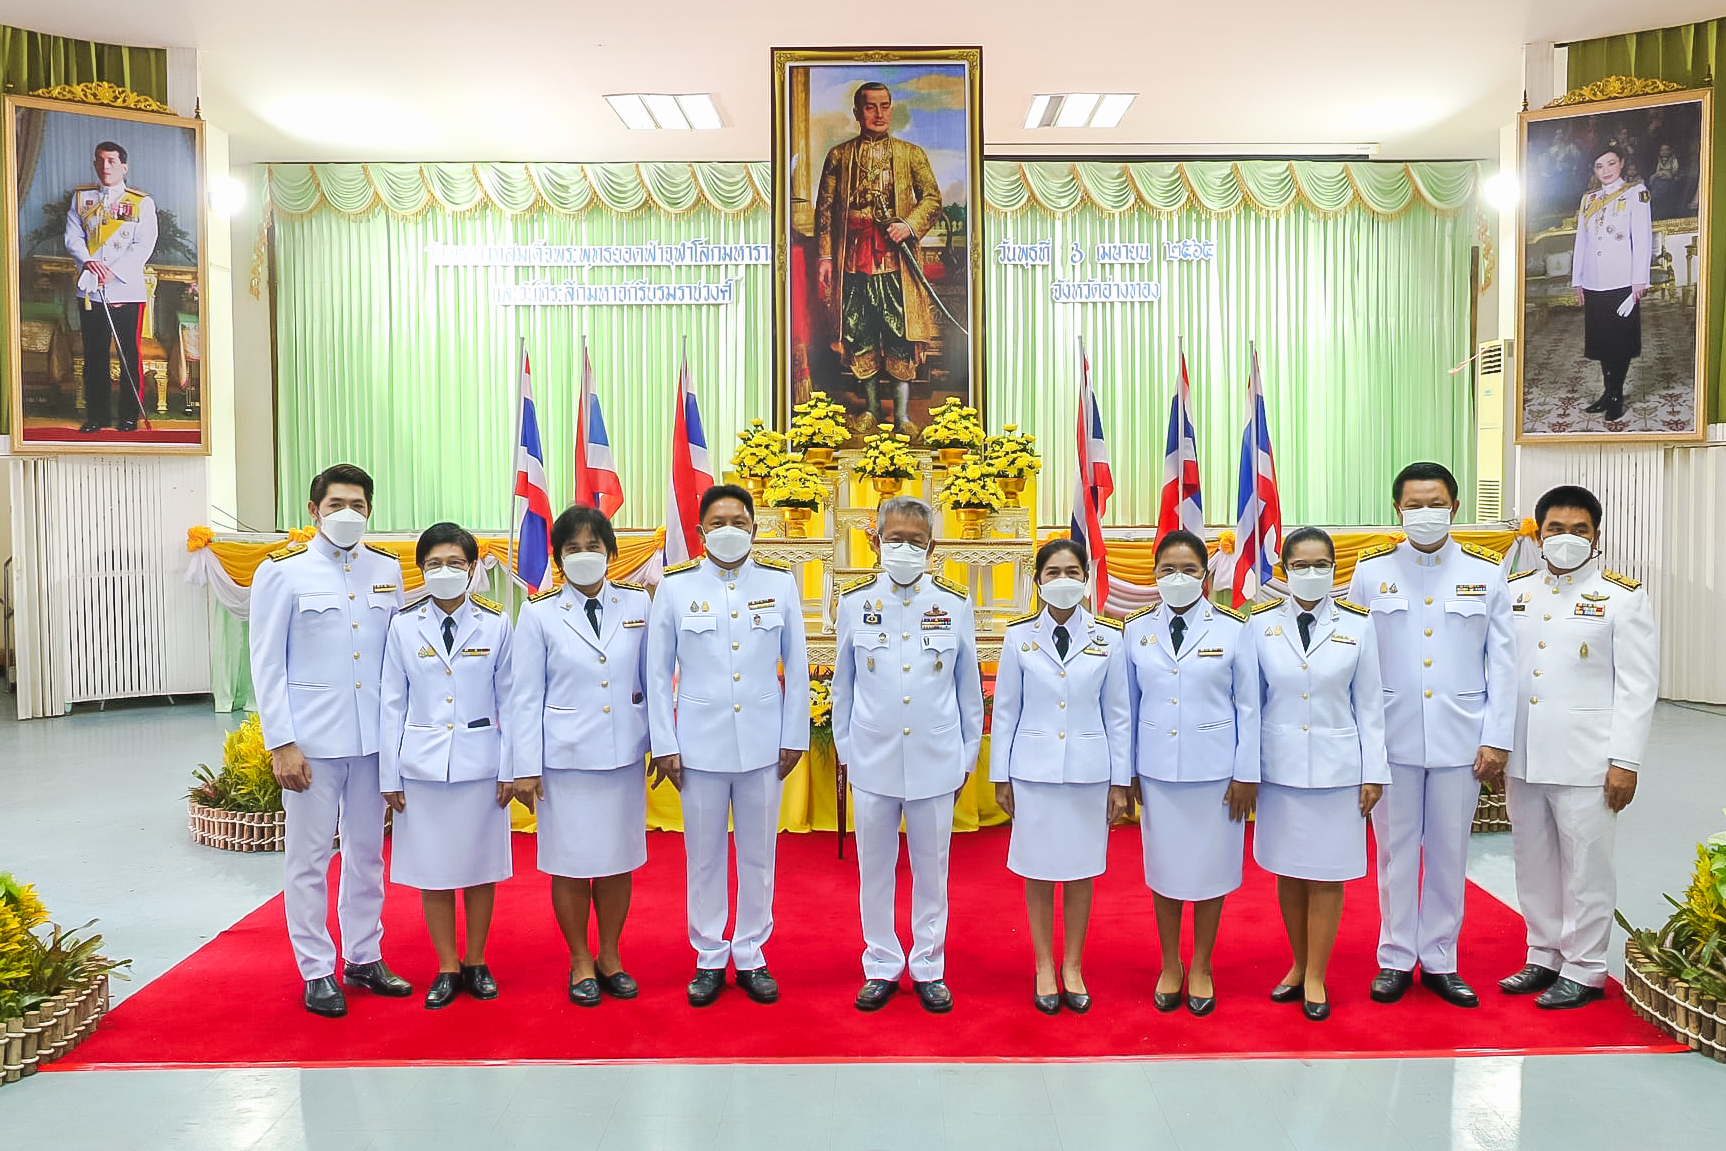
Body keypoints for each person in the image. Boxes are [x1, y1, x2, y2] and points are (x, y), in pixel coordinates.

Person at [1349, 463, 1514, 1009]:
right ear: (1397, 510)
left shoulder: (1485, 574)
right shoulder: (1371, 574)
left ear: (1456, 508)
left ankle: (1441, 958)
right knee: (1394, 853)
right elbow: (1353, 659)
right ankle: (1395, 956)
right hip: (1390, 738)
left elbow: (1504, 663)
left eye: (1435, 503)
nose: (1425, 514)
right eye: (1414, 505)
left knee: (1449, 851)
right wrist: (1360, 741)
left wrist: (1496, 737)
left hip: (1460, 738)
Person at [249, 464, 412, 1017]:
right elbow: (267, 663)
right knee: (309, 858)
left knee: (367, 855)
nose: (349, 513)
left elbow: (396, 661)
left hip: (371, 742)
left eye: (359, 505)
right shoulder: (284, 573)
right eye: (337, 504)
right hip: (312, 743)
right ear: (313, 511)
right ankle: (316, 968)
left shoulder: (387, 569)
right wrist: (281, 742)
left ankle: (364, 955)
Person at [646, 484, 809, 1007]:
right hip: (698, 745)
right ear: (699, 532)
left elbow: (798, 667)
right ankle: (710, 954)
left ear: (755, 527)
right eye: (718, 522)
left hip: (765, 744)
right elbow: (657, 672)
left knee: (760, 854)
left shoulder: (780, 585)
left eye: (739, 520)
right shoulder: (675, 588)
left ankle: (752, 953)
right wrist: (665, 742)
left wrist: (794, 734)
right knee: (705, 855)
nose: (729, 530)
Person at [1501, 485, 1657, 1009]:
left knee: (1587, 866)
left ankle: (1586, 966)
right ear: (1539, 534)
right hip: (1523, 754)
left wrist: (1625, 761)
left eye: (1579, 530)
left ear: (1596, 535)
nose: (1566, 539)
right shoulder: (1516, 590)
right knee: (1533, 859)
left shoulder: (1622, 597)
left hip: (1589, 759)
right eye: (1555, 530)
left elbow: (1637, 686)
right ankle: (1542, 953)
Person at [833, 496, 983, 1013]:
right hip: (872, 760)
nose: (904, 549)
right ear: (874, 542)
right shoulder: (853, 604)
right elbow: (843, 687)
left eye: (914, 541)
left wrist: (965, 757)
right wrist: (848, 752)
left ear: (932, 547)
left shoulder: (955, 604)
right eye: (893, 539)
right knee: (874, 868)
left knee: (931, 868)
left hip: (935, 758)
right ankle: (879, 962)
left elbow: (968, 691)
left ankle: (928, 965)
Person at [512, 506, 653, 1008]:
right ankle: (579, 959)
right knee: (570, 864)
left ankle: (610, 956)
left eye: (594, 546)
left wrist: (661, 741)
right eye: (572, 549)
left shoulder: (639, 604)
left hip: (622, 754)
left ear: (611, 553)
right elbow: (524, 695)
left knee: (617, 862)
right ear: (558, 559)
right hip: (564, 761)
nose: (585, 556)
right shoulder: (539, 613)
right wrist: (523, 767)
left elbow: (651, 680)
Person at [991, 539, 1131, 1014]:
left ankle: (1073, 963)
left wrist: (1120, 781)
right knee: (1036, 869)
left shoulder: (1110, 637)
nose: (1063, 580)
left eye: (1072, 571)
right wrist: (1000, 776)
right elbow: (1006, 710)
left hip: (1089, 773)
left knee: (1080, 870)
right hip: (1032, 772)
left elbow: (1119, 714)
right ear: (1038, 581)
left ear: (1085, 580)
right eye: (1053, 572)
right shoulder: (1019, 637)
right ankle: (1044, 964)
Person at [1253, 527, 1388, 1021]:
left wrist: (1374, 771)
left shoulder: (1359, 625)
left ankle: (1316, 975)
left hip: (1338, 770)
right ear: (1284, 572)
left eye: (1321, 565)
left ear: (1335, 570)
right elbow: (1251, 702)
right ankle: (1297, 962)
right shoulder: (1260, 625)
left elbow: (1370, 705)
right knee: (1288, 870)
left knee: (1327, 875)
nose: (1312, 574)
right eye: (1301, 566)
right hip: (1279, 768)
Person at [1123, 529, 1259, 1017]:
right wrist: (1127, 773)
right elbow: (1128, 707)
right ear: (1154, 575)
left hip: (1218, 775)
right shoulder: (1135, 630)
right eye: (1168, 570)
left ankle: (1201, 964)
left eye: (1188, 570)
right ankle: (1169, 964)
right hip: (1157, 771)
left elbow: (1249, 706)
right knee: (1164, 872)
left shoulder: (1233, 629)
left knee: (1210, 872)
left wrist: (1247, 772)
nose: (1177, 578)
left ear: (1205, 575)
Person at [378, 523, 514, 1010]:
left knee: (480, 868)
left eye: (455, 563)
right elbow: (391, 702)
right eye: (434, 564)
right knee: (432, 871)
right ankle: (447, 965)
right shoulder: (403, 624)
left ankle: (476, 961)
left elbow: (512, 701)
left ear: (473, 568)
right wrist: (388, 774)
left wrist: (510, 767)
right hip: (422, 767)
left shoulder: (497, 623)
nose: (445, 572)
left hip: (482, 764)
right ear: (420, 571)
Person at [815, 81, 944, 432]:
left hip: (895, 261)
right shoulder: (839, 157)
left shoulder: (911, 154)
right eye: (870, 107)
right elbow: (825, 211)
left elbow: (932, 199)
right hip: (853, 261)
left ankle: (901, 416)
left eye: (885, 106)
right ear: (857, 113)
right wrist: (825, 257)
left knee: (900, 334)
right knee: (860, 333)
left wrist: (909, 224)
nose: (879, 114)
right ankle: (871, 409)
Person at [64, 141, 157, 434]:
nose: (106, 166)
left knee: (128, 354)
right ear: (95, 164)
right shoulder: (82, 199)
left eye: (113, 161)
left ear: (124, 166)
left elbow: (144, 245)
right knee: (94, 355)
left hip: (125, 290)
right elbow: (72, 237)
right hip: (91, 288)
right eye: (101, 160)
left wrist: (113, 272)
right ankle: (98, 415)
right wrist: (90, 262)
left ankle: (128, 415)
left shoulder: (141, 202)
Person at [1571, 144, 1653, 421]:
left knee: (1620, 341)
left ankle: (1616, 394)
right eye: (1599, 166)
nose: (1605, 171)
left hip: (1622, 280)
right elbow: (1581, 241)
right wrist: (1577, 280)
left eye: (1610, 164)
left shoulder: (1635, 194)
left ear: (1621, 164)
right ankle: (1608, 392)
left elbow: (1642, 238)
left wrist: (1639, 279)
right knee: (1602, 341)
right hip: (1595, 280)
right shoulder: (1588, 199)